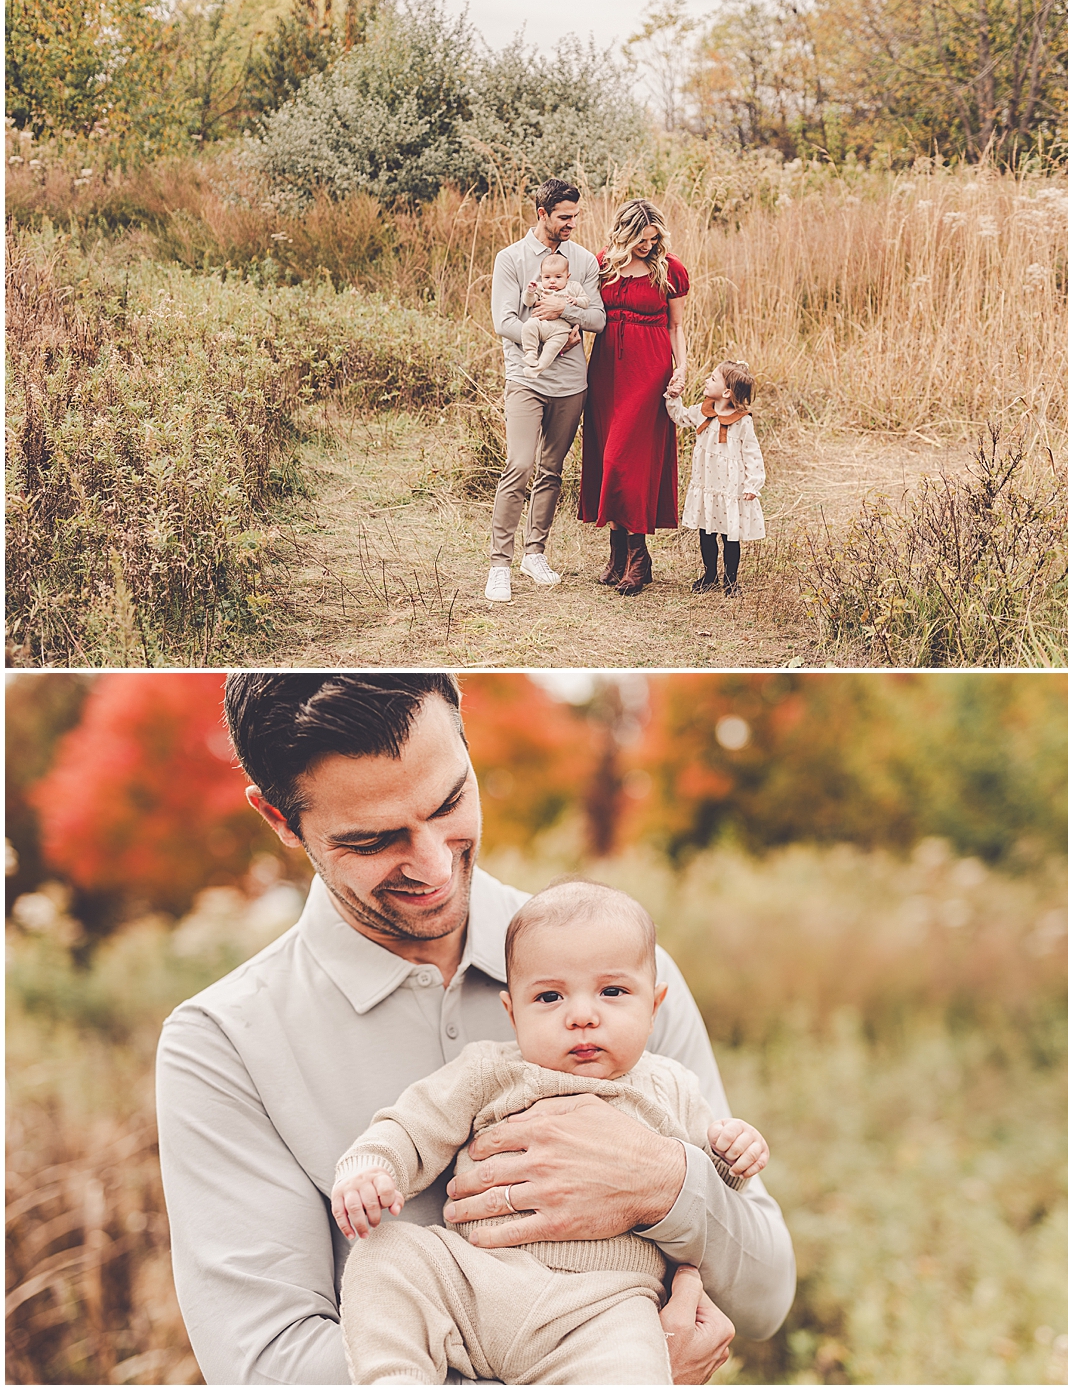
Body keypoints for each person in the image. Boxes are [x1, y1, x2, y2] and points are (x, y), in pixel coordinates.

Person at [156, 673, 796, 1385]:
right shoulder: (220, 1045)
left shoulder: (623, 977)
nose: (432, 865)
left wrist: (664, 1183)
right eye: (373, 840)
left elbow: (765, 1297)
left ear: (464, 730)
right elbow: (268, 1365)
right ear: (279, 818)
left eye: (450, 801)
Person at [332, 881, 771, 1386]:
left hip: (604, 1309)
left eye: (612, 991)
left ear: (654, 1006)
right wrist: (372, 1166)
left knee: (637, 1359)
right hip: (478, 1282)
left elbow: (706, 1194)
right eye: (549, 996)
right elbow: (413, 1126)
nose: (582, 1015)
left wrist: (731, 1155)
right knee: (386, 1255)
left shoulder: (671, 1086)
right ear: (512, 1013)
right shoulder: (489, 1072)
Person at [487, 180, 606, 604]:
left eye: (576, 216)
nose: (572, 223)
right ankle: (500, 564)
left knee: (551, 469)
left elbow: (597, 320)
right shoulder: (511, 259)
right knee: (519, 465)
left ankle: (534, 553)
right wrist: (540, 338)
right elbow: (503, 321)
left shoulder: (585, 261)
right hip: (525, 378)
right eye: (564, 217)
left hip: (571, 384)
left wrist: (565, 311)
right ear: (542, 214)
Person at [578, 199, 689, 597]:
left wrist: (682, 368)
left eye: (654, 239)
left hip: (648, 370)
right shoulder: (602, 263)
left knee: (626, 460)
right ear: (625, 234)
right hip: (606, 370)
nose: (649, 246)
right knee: (607, 456)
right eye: (642, 239)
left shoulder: (669, 268)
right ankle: (617, 555)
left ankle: (639, 557)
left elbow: (676, 327)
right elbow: (587, 311)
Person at [666, 361, 765, 596]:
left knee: (730, 537)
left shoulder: (742, 421)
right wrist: (672, 397)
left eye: (712, 379)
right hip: (707, 486)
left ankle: (731, 580)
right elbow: (679, 416)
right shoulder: (702, 411)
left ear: (727, 392)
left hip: (731, 489)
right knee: (706, 532)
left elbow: (752, 454)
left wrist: (753, 483)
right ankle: (709, 575)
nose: (706, 381)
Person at [521, 253, 590, 378]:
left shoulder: (573, 287)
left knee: (551, 350)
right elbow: (528, 302)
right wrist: (530, 292)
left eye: (558, 277)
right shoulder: (540, 287)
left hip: (561, 331)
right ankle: (530, 353)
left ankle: (537, 369)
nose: (552, 281)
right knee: (529, 325)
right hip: (541, 324)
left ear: (567, 276)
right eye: (547, 277)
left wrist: (576, 301)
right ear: (541, 276)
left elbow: (586, 301)